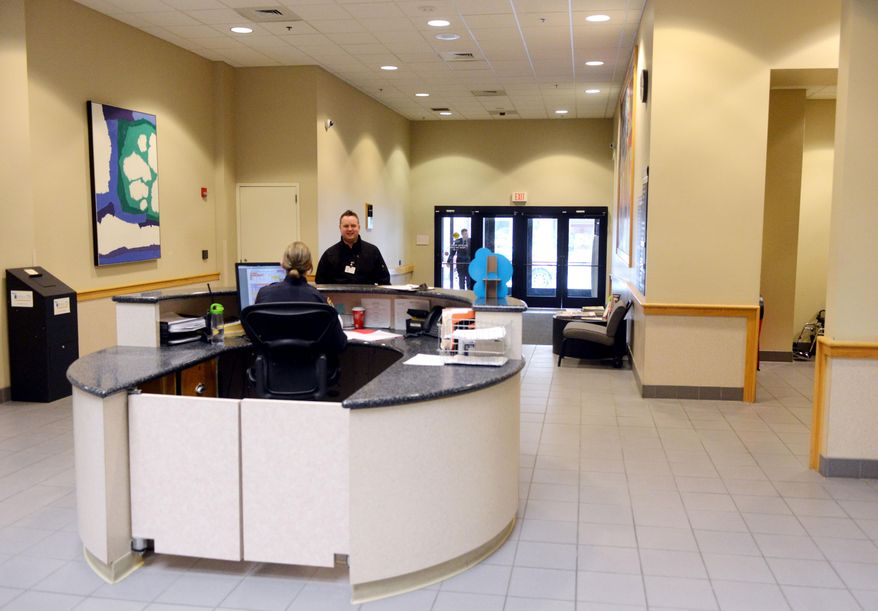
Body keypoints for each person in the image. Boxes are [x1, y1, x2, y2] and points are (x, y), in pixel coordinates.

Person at [255, 241, 347, 352]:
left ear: (282, 263)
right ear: (309, 266)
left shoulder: (264, 294)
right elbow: (339, 343)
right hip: (312, 367)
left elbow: (256, 334)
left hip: (272, 367)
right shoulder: (318, 299)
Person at [315, 210, 390, 285]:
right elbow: (320, 284)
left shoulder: (373, 252)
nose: (350, 229)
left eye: (353, 226)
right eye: (346, 226)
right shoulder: (329, 255)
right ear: (340, 228)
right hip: (338, 296)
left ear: (359, 227)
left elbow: (384, 281)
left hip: (366, 296)